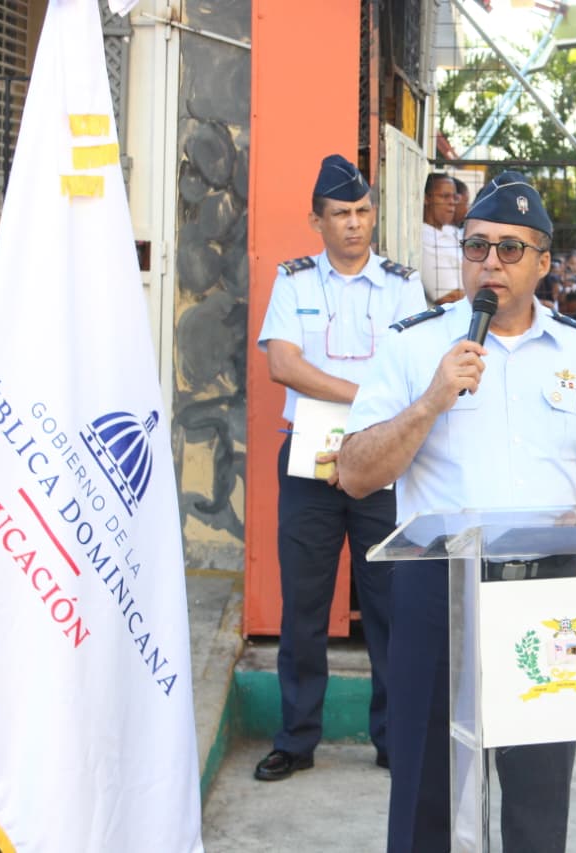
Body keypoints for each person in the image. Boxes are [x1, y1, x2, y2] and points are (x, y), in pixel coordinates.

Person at [337, 171, 576, 853]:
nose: (491, 263)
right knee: (426, 784)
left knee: (538, 787)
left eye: (510, 250)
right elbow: (355, 472)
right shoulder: (417, 346)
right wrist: (430, 402)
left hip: (548, 588)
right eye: (478, 247)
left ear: (542, 262)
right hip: (437, 586)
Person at [253, 153, 427, 781]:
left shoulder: (404, 285)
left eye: (362, 211)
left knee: (388, 603)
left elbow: (414, 367)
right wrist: (365, 396)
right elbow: (283, 364)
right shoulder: (295, 280)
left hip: (381, 458)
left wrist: (371, 404)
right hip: (310, 459)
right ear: (316, 221)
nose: (355, 224)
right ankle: (296, 740)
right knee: (305, 604)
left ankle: (393, 737)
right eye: (341, 214)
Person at [420, 172, 464, 305]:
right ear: (426, 199)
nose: (451, 203)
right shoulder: (424, 238)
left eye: (454, 197)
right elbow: (448, 297)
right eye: (445, 196)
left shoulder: (451, 231)